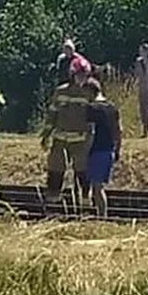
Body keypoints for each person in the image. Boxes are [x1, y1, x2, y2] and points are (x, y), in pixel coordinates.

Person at [41, 55, 93, 204]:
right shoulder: (61, 91)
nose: (81, 78)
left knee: (82, 169)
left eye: (84, 75)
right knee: (55, 167)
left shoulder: (89, 93)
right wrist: (46, 134)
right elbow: (52, 113)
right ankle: (52, 198)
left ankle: (85, 199)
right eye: (79, 75)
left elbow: (94, 117)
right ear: (72, 74)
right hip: (60, 138)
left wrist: (91, 138)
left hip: (80, 139)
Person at [85, 77, 122, 218]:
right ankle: (98, 214)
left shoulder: (91, 109)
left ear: (90, 91)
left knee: (97, 187)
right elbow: (119, 131)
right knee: (96, 186)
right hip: (109, 150)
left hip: (96, 150)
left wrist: (85, 152)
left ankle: (102, 216)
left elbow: (91, 132)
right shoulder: (112, 108)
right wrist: (117, 149)